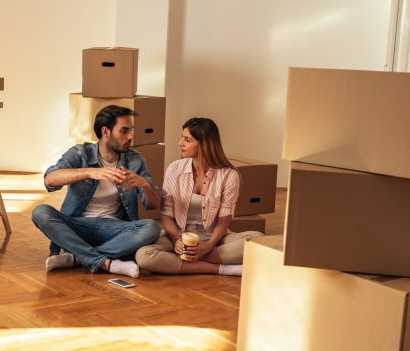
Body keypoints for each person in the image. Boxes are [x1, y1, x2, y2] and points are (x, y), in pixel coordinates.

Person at [32, 105, 161, 277]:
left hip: (114, 230)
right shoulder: (80, 153)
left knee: (152, 227)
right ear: (106, 132)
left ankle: (77, 258)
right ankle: (107, 263)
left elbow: (153, 205)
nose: (131, 136)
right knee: (40, 212)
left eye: (131, 130)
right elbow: (50, 179)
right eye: (124, 131)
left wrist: (144, 185)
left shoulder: (134, 159)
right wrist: (90, 172)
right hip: (79, 226)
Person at [136, 117, 263, 276]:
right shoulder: (175, 169)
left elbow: (224, 220)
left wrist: (208, 246)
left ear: (204, 144)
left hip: (213, 238)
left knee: (258, 240)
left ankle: (184, 261)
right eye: (182, 137)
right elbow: (166, 215)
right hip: (179, 235)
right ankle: (222, 269)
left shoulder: (229, 175)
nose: (180, 143)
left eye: (187, 140)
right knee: (144, 256)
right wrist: (177, 241)